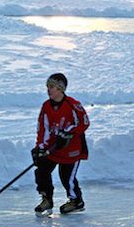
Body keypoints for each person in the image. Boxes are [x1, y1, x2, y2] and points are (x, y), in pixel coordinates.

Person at [31, 73, 90, 215]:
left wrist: (68, 133)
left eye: (52, 87)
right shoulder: (46, 106)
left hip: (72, 149)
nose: (48, 90)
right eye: (47, 87)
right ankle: (47, 199)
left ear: (61, 88)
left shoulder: (72, 104)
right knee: (42, 170)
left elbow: (84, 122)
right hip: (53, 148)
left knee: (66, 177)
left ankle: (76, 201)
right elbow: (43, 128)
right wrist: (40, 147)